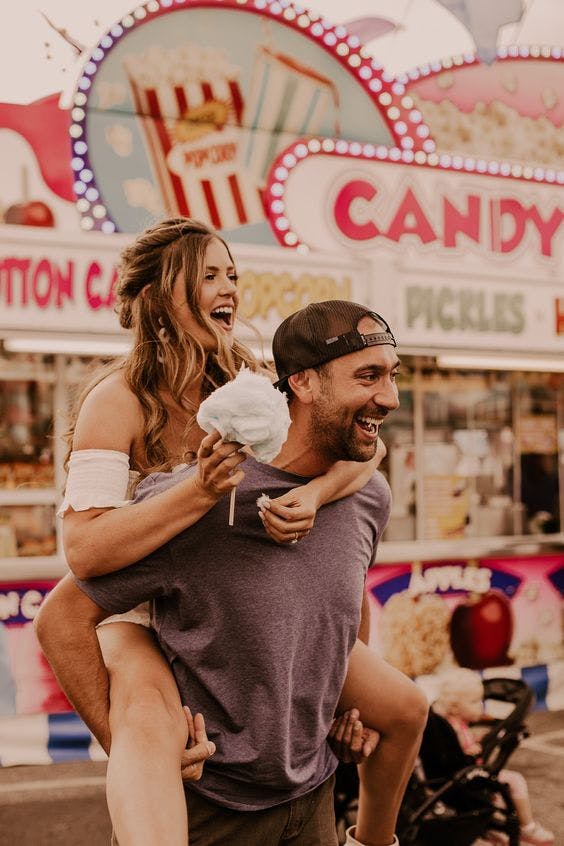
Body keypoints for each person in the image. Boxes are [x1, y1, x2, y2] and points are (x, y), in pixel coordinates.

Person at [35, 219, 426, 845]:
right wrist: (200, 491)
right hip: (139, 604)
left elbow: (357, 448)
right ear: (161, 293)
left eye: (233, 275)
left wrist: (312, 494)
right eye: (210, 274)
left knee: (405, 708)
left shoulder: (243, 375)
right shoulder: (118, 399)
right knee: (140, 718)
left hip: (230, 595)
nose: (230, 289)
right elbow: (84, 552)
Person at [434, 668, 554, 846]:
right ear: (455, 707)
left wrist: (474, 740)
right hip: (468, 778)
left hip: (451, 781)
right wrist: (472, 749)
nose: (481, 705)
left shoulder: (448, 724)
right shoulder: (455, 729)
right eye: (475, 701)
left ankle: (490, 830)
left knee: (493, 795)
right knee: (514, 780)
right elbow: (459, 752)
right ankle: (527, 827)